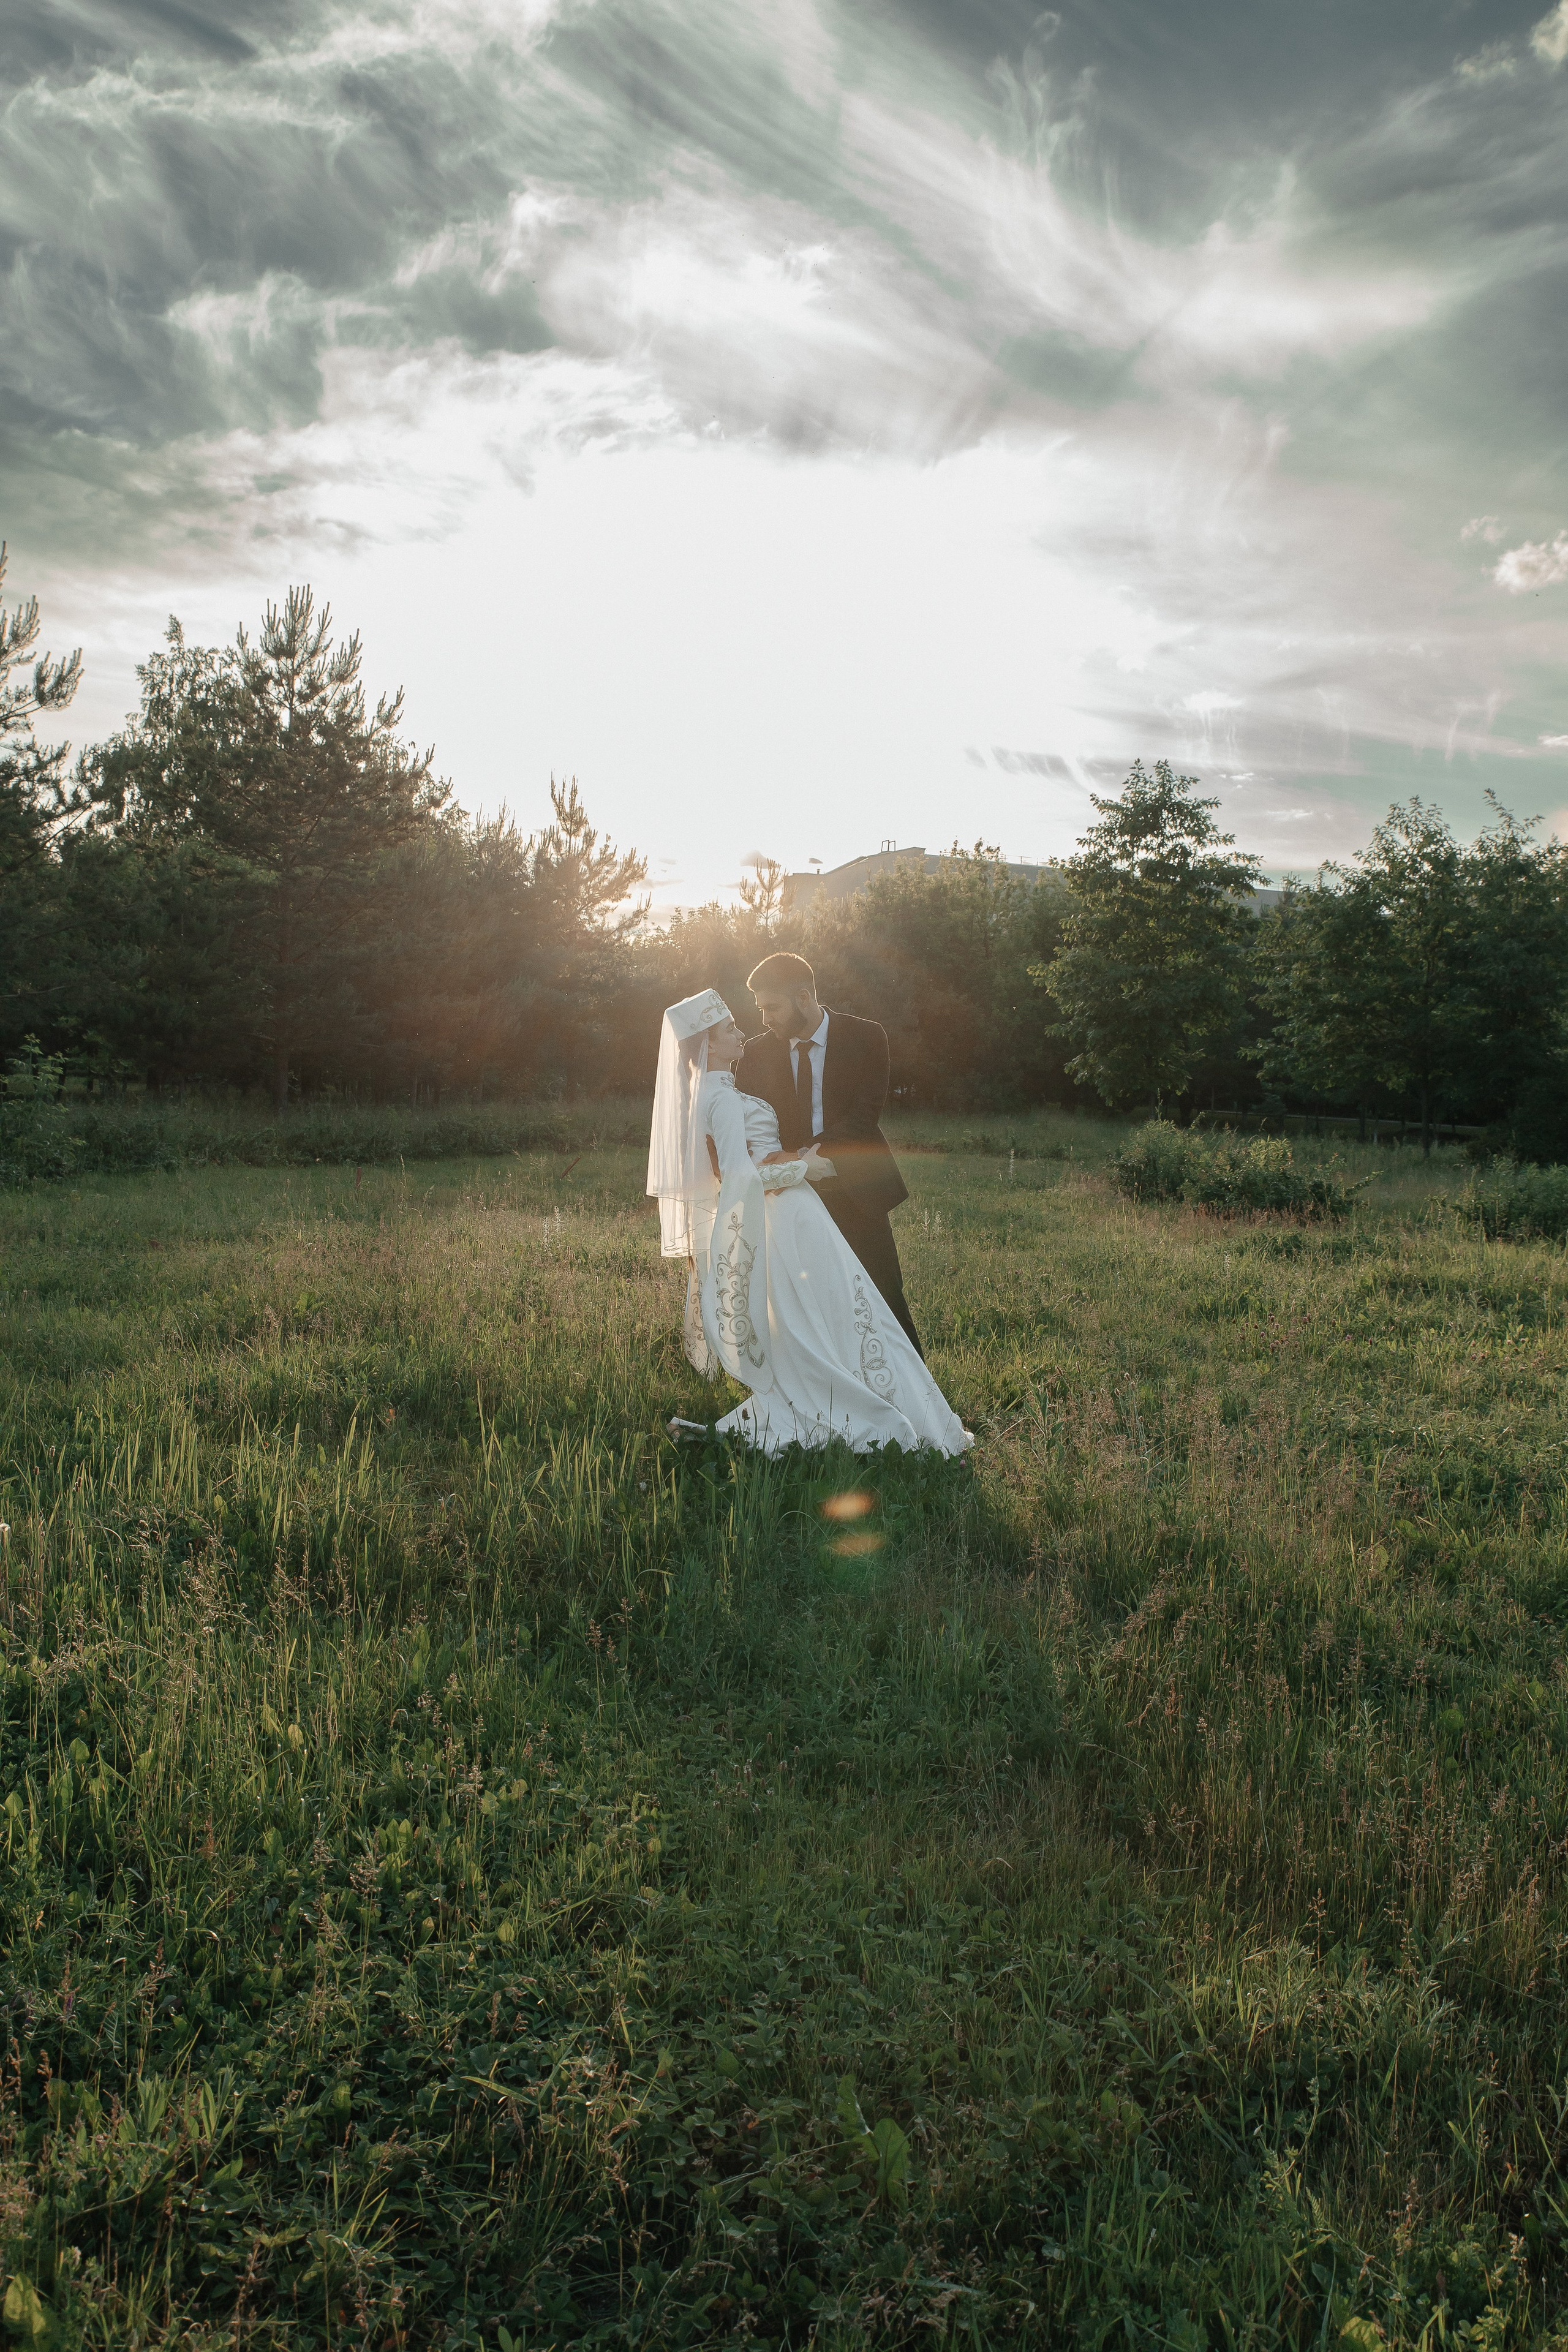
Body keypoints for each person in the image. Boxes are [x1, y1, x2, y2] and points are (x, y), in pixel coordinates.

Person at [646, 989, 970, 1458]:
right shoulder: (716, 1099)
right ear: (708, 1045)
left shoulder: (723, 1091)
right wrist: (803, 1168)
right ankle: (861, 1404)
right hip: (785, 1213)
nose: (743, 1033)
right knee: (837, 1312)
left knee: (849, 1309)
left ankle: (889, 1394)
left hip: (796, 1213)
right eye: (731, 1028)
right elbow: (737, 1176)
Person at [735, 951, 922, 1354]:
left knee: (885, 1295)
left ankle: (925, 1404)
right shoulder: (754, 1053)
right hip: (791, 1197)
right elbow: (750, 1124)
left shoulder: (868, 1037)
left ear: (803, 998)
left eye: (772, 1008)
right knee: (807, 1304)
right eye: (761, 1009)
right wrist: (787, 1165)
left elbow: (865, 1115)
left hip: (855, 1184)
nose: (765, 1019)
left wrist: (802, 1155)